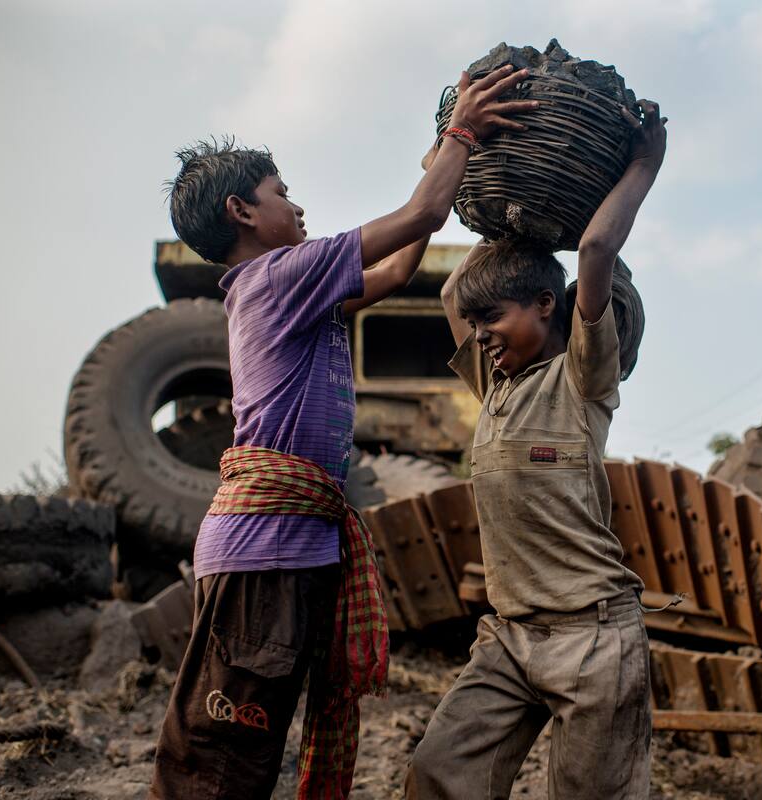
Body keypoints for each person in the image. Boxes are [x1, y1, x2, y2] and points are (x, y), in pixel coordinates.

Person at [148, 64, 537, 800]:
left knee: (252, 740)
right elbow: (419, 217)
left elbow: (391, 273)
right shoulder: (278, 276)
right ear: (240, 211)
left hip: (293, 548)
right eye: (282, 194)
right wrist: (460, 134)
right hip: (265, 552)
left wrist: (438, 163)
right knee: (218, 757)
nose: (297, 206)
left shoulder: (294, 294)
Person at [406, 99, 667, 799]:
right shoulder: (492, 380)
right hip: (509, 639)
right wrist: (454, 139)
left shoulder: (582, 378)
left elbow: (594, 253)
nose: (480, 333)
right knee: (438, 773)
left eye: (495, 318)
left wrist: (644, 162)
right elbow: (457, 291)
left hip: (593, 641)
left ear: (548, 308)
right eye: (478, 323)